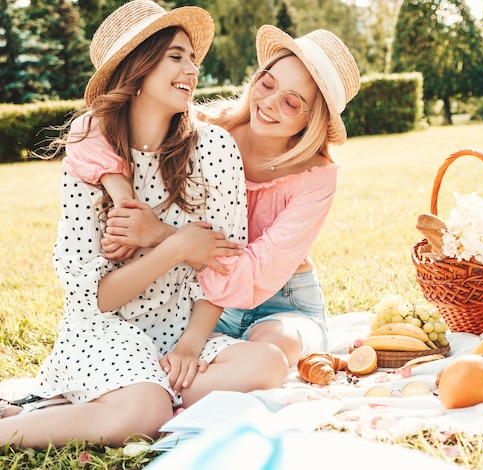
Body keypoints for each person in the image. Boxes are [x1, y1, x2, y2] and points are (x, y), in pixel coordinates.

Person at [0, 0, 287, 448]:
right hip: (103, 329)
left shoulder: (215, 147)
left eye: (193, 58)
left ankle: (99, 400)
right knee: (144, 411)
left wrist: (190, 347)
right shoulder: (90, 153)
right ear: (136, 69)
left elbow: (223, 265)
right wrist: (176, 248)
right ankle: (29, 424)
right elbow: (94, 297)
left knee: (268, 364)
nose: (192, 69)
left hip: (174, 332)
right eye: (176, 56)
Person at [59, 24, 362, 368]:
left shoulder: (316, 177)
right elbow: (92, 128)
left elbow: (257, 272)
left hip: (284, 298)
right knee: (172, 358)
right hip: (204, 299)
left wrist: (161, 234)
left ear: (314, 119)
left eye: (292, 103)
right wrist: (126, 197)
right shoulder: (209, 130)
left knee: (276, 347)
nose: (270, 103)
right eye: (267, 83)